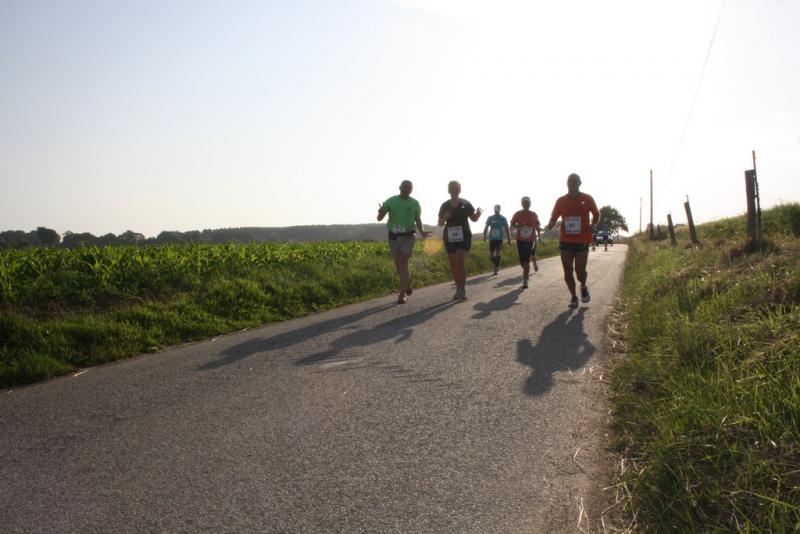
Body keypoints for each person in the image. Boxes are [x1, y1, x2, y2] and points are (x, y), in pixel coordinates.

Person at [546, 173, 600, 308]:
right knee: (567, 270)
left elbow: (596, 213)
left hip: (582, 239)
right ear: (567, 183)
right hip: (566, 240)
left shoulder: (587, 198)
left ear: (580, 183)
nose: (572, 183)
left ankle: (583, 286)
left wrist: (593, 224)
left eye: (575, 180)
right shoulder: (560, 201)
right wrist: (550, 224)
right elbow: (553, 217)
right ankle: (573, 297)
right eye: (570, 180)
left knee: (580, 271)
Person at [377, 180, 430, 304]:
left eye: (409, 187)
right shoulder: (391, 201)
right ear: (399, 187)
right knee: (399, 266)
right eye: (404, 187)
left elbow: (418, 219)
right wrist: (380, 212)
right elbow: (379, 218)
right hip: (394, 237)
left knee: (403, 262)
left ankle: (402, 294)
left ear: (411, 189)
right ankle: (407, 282)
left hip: (409, 236)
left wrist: (422, 231)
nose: (406, 189)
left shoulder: (415, 203)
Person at [438, 180, 483, 300]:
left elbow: (473, 219)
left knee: (459, 260)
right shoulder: (445, 205)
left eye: (456, 188)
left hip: (464, 236)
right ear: (448, 190)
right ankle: (458, 288)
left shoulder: (466, 203)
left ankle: (462, 289)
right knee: (453, 264)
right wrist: (444, 217)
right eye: (452, 188)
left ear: (460, 190)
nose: (454, 191)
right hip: (449, 237)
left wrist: (477, 216)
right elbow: (440, 223)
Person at [510, 196, 543, 289]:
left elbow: (537, 225)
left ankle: (525, 280)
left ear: (530, 204)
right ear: (522, 204)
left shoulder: (533, 214)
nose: (526, 204)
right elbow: (512, 224)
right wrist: (518, 225)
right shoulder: (518, 214)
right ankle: (526, 270)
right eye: (524, 202)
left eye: (528, 202)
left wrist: (539, 235)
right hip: (520, 240)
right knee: (522, 261)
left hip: (531, 240)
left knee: (527, 259)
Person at [483, 204, 511, 275]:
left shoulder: (503, 218)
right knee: (491, 255)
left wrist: (509, 239)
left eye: (498, 210)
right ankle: (496, 265)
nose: (496, 212)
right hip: (492, 239)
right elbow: (486, 227)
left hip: (499, 239)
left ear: (500, 210)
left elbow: (507, 229)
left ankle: (496, 267)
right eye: (495, 210)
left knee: (498, 252)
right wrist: (484, 236)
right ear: (494, 210)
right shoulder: (490, 218)